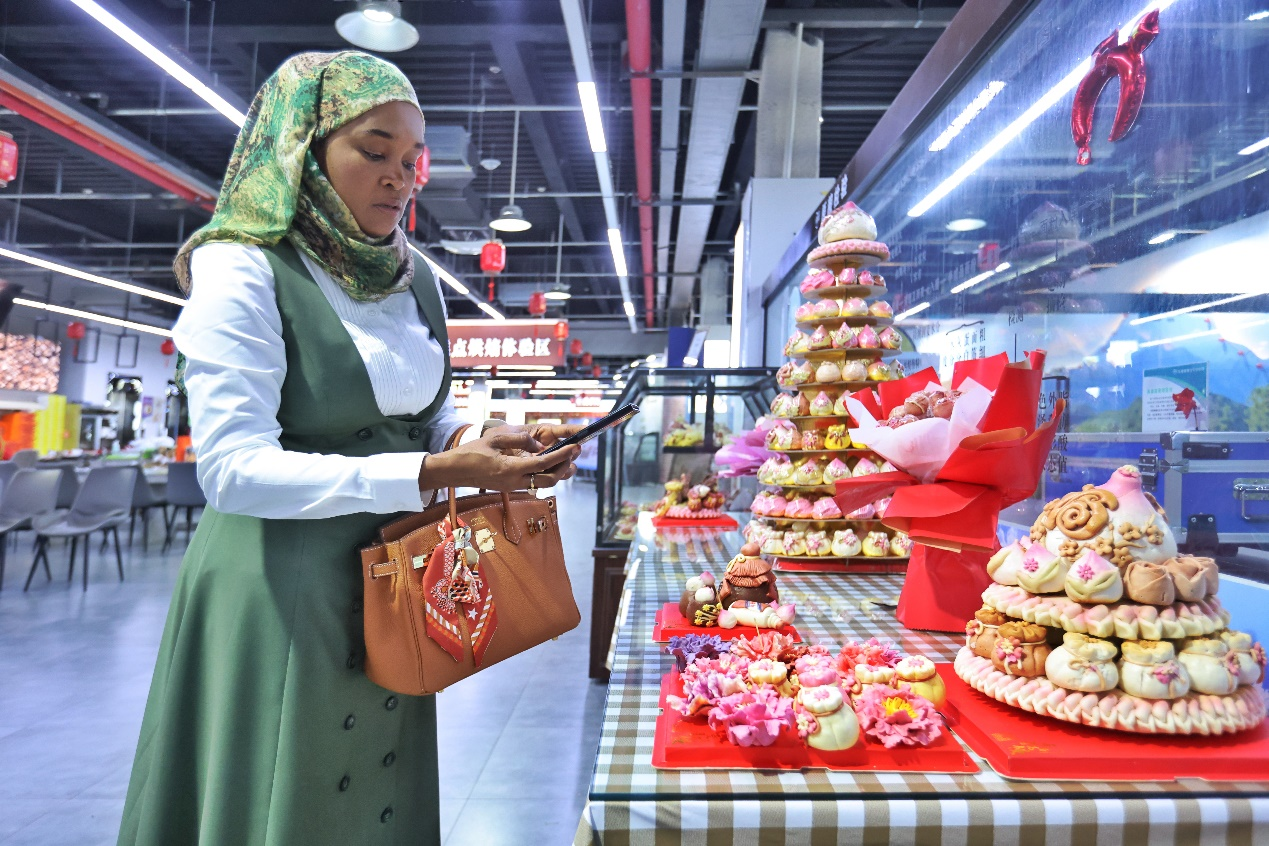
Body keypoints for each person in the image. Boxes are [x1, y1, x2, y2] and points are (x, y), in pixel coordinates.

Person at [118, 52, 580, 846]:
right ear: (303, 146)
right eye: (373, 151)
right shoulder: (244, 266)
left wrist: (477, 439)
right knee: (285, 786)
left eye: (410, 160)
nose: (397, 177)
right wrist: (435, 471)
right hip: (278, 580)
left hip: (399, 570)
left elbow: (420, 416)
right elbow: (231, 471)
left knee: (376, 779)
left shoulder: (413, 279)